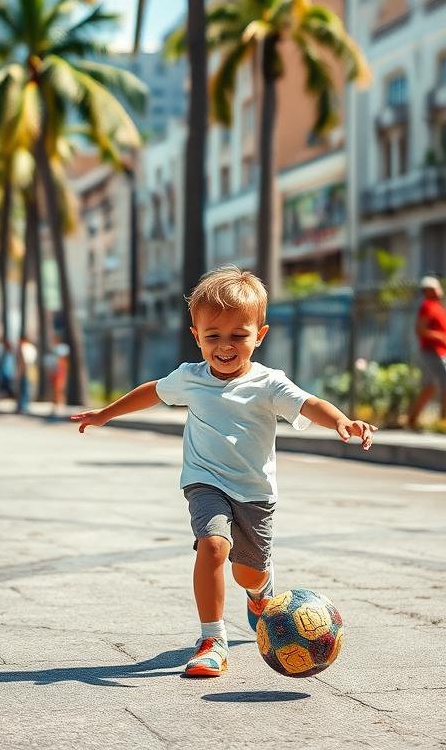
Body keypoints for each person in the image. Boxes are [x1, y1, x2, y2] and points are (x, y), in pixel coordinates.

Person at [70, 265, 376, 679]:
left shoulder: (270, 384)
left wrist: (342, 420)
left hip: (254, 492)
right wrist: (106, 414)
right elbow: (152, 392)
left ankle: (259, 591)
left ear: (260, 335)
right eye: (213, 336)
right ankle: (213, 640)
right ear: (196, 336)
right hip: (205, 482)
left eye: (238, 335)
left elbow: (309, 403)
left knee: (247, 570)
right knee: (213, 545)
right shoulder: (190, 378)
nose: (225, 346)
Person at [406, 275, 446, 429]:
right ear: (428, 290)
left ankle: (411, 420)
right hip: (432, 351)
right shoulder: (428, 306)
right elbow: (420, 330)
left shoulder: (437, 307)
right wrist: (441, 338)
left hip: (438, 351)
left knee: (430, 387)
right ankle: (443, 422)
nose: (439, 290)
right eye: (436, 287)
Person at [17, 334, 37, 413]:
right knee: (27, 388)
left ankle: (23, 406)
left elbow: (24, 361)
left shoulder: (23, 348)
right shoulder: (32, 348)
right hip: (30, 370)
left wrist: (21, 372)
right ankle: (25, 405)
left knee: (24, 389)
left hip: (25, 371)